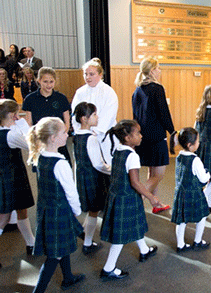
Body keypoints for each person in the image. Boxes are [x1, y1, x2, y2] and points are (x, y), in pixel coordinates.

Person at [27, 117, 85, 292]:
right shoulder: (60, 163)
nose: (67, 134)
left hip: (47, 210)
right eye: (64, 132)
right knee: (55, 255)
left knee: (61, 244)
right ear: (53, 137)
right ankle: (38, 290)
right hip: (59, 212)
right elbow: (71, 192)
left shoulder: (40, 156)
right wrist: (77, 210)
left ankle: (67, 278)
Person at [100, 120, 160, 280]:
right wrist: (151, 196)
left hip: (117, 195)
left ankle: (144, 251)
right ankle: (108, 268)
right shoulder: (132, 156)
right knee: (121, 236)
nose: (141, 136)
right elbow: (135, 182)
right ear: (127, 137)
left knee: (133, 224)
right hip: (126, 199)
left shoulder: (118, 150)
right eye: (138, 133)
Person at [132, 57, 173, 214]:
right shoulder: (157, 88)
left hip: (142, 137)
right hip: (156, 137)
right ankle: (137, 201)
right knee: (159, 175)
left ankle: (156, 204)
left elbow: (135, 116)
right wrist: (172, 131)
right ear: (152, 71)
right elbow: (164, 114)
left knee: (151, 172)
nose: (160, 70)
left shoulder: (137, 90)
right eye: (158, 68)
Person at [73, 102, 111, 255]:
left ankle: (84, 233)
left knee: (91, 210)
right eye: (94, 114)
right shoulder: (91, 138)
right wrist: (112, 170)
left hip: (82, 176)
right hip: (93, 178)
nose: (97, 117)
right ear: (84, 118)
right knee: (94, 210)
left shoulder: (77, 135)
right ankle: (88, 242)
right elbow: (98, 164)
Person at [0, 100, 35, 260]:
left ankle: (31, 243)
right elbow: (32, 145)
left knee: (21, 209)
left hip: (8, 175)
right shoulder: (11, 134)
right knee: (5, 216)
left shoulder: (7, 130)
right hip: (11, 176)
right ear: (13, 115)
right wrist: (23, 125)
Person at [169, 128, 211, 252]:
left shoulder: (179, 156)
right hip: (193, 194)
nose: (199, 143)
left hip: (180, 193)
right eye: (197, 141)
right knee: (202, 216)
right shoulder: (195, 160)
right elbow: (203, 178)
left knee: (181, 220)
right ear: (190, 145)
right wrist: (208, 174)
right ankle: (198, 241)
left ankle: (180, 245)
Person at [71, 58, 118, 165]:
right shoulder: (80, 92)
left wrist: (96, 131)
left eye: (91, 74)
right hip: (84, 134)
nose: (88, 77)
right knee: (85, 165)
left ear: (100, 75)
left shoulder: (108, 92)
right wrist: (81, 130)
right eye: (85, 74)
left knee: (106, 163)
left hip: (102, 134)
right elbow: (75, 114)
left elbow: (109, 114)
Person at [22, 67, 72, 165]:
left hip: (58, 142)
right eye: (45, 81)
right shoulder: (30, 99)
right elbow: (29, 123)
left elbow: (67, 122)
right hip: (41, 142)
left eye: (51, 81)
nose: (49, 85)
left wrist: (59, 138)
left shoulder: (61, 98)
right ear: (39, 80)